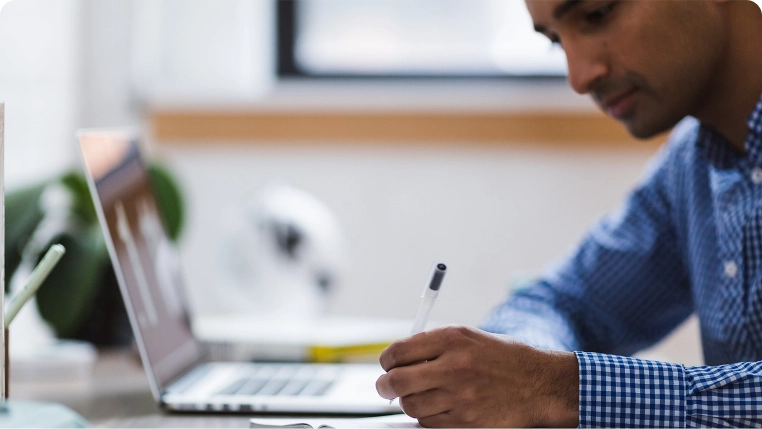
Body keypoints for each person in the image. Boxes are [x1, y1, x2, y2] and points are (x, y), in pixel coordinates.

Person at [375, 1, 762, 428]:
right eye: (556, 41)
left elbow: (550, 381)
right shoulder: (693, 163)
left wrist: (556, 388)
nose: (579, 78)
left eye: (597, 14)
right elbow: (562, 303)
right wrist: (513, 372)